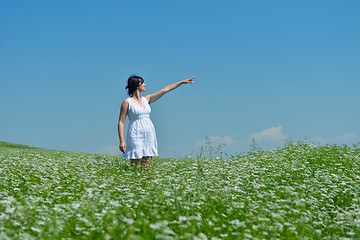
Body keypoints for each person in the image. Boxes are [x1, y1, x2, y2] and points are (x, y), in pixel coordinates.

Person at [118, 75, 195, 168]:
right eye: (142, 83)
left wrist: (182, 82)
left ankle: (145, 179)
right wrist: (122, 141)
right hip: (135, 133)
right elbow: (121, 122)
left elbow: (165, 89)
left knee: (147, 161)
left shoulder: (147, 99)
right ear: (137, 85)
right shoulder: (127, 102)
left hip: (149, 132)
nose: (145, 85)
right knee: (136, 162)